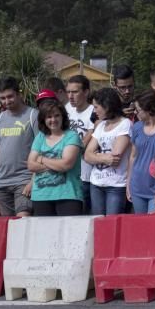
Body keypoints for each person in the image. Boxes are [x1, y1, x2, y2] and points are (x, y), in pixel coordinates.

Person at [0, 77, 37, 217]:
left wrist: (33, 180)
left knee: (22, 221)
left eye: (10, 96)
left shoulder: (33, 115)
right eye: (2, 98)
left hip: (24, 180)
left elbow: (42, 149)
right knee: (7, 227)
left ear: (19, 94)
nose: (6, 101)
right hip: (1, 182)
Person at [27, 91, 83, 216]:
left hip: (68, 195)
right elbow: (30, 165)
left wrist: (42, 159)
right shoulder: (40, 137)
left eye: (57, 115)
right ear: (43, 119)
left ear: (63, 117)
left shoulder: (71, 136)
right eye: (49, 117)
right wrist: (57, 163)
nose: (53, 120)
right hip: (40, 197)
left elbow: (66, 165)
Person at [83, 87, 131, 215]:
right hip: (96, 183)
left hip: (116, 185)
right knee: (97, 223)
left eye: (96, 107)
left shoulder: (125, 124)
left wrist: (96, 155)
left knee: (112, 223)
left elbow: (115, 158)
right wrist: (104, 158)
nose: (94, 111)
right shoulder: (101, 126)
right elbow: (87, 155)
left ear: (107, 106)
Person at [127, 90, 155, 214]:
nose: (135, 112)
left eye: (138, 110)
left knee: (153, 226)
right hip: (137, 186)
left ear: (148, 109)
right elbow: (133, 156)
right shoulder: (137, 127)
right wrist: (128, 183)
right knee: (140, 227)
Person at [65, 74, 95, 214]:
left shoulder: (93, 111)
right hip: (68, 173)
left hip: (86, 173)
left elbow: (90, 135)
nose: (70, 96)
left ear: (86, 92)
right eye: (68, 92)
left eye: (75, 92)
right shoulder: (67, 109)